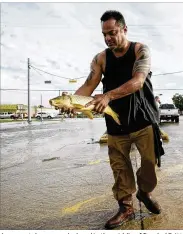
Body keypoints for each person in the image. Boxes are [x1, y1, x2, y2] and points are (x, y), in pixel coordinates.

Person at [61, 10, 164, 229]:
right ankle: (125, 207)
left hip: (143, 118)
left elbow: (137, 81)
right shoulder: (101, 58)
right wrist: (72, 101)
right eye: (104, 34)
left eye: (112, 32)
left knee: (148, 164)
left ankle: (144, 193)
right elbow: (89, 86)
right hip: (115, 123)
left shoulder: (140, 50)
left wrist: (107, 95)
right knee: (119, 167)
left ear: (124, 29)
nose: (108, 38)